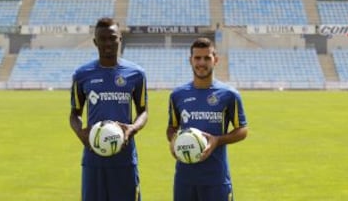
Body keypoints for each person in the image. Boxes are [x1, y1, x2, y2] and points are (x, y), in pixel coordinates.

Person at [69, 17, 148, 201]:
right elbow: (74, 114)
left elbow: (143, 111)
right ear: (95, 42)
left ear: (120, 39)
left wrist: (132, 128)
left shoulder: (136, 74)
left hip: (125, 159)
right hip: (93, 159)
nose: (107, 43)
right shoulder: (82, 75)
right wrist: (80, 132)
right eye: (102, 39)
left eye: (112, 38)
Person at [166, 37, 248, 201]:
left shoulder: (229, 95)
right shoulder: (177, 95)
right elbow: (172, 128)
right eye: (197, 58)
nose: (201, 63)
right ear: (190, 60)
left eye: (207, 58)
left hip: (216, 179)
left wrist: (217, 140)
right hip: (184, 179)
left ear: (215, 60)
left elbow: (242, 130)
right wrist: (174, 141)